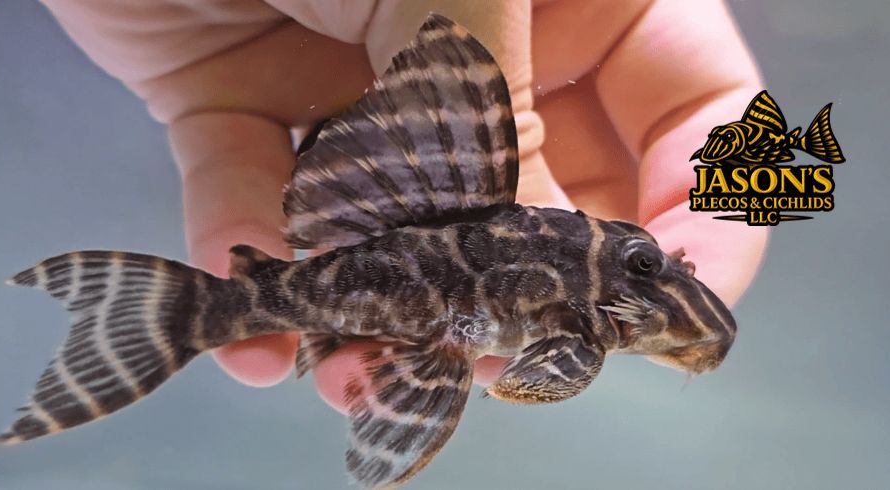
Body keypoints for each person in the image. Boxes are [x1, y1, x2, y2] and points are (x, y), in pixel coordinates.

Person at [40, 0, 767, 413]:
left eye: (654, 265)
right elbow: (532, 379)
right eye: (643, 263)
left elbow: (530, 377)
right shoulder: (586, 302)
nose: (658, 274)